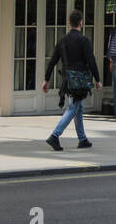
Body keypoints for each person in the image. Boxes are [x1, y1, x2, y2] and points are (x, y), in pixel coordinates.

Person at [42, 8, 101, 150]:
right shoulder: (84, 40)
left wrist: (46, 79)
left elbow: (53, 61)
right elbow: (91, 61)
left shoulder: (62, 41)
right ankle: (55, 136)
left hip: (67, 79)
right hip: (80, 79)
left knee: (78, 107)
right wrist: (97, 79)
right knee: (73, 107)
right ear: (81, 23)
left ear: (69, 23)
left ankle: (82, 139)